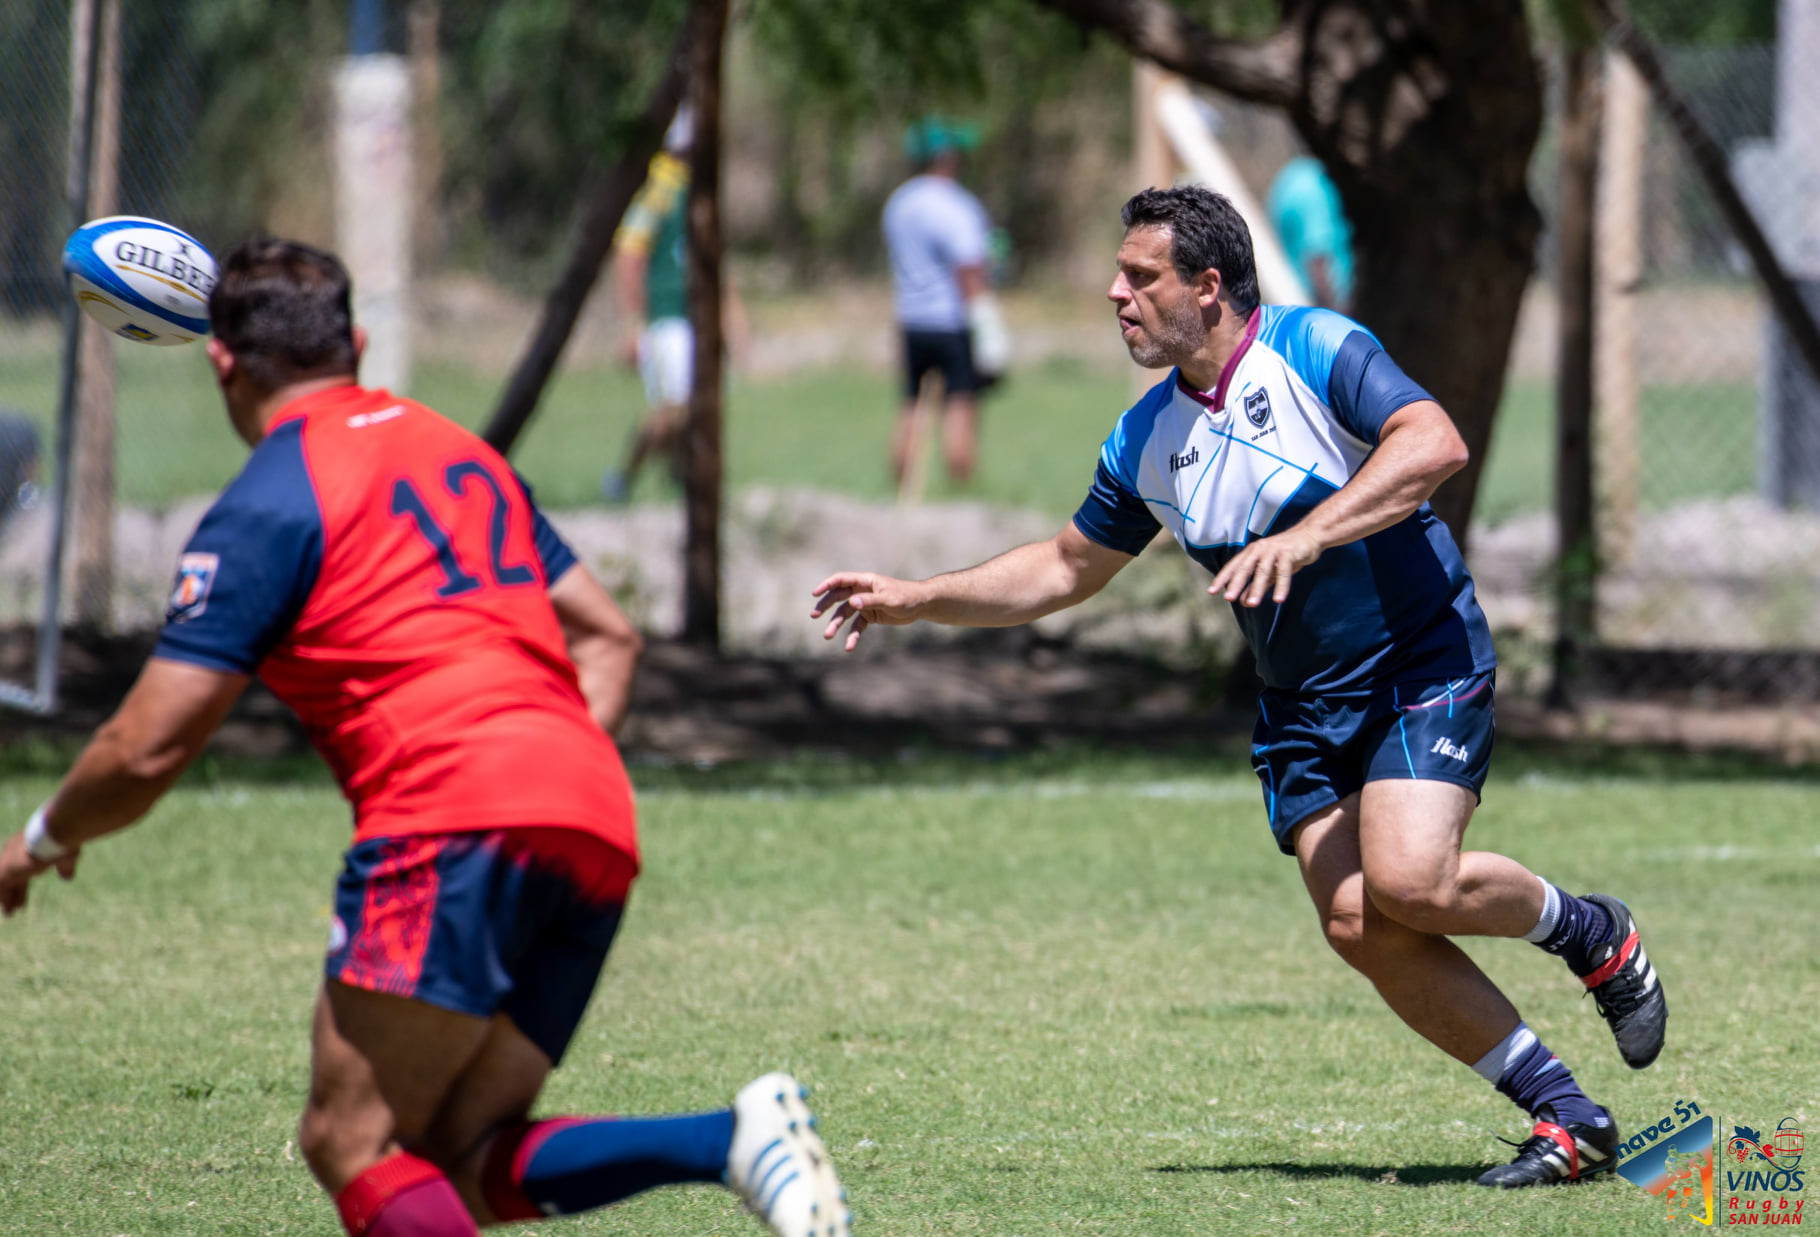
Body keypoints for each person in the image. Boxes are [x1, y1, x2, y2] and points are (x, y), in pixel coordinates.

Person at [810, 186, 1667, 1189]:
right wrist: (918, 598)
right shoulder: (1144, 441)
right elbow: (1061, 567)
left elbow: (1432, 443)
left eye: (1139, 277)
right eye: (1117, 276)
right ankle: (1565, 1118)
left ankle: (1590, 932)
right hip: (1300, 705)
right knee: (1355, 919)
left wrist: (1305, 533)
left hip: (1415, 662)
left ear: (1206, 285)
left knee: (1410, 881)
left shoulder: (1314, 350)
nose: (1113, 294)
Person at [0, 238, 849, 1237]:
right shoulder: (462, 453)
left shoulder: (268, 500)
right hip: (589, 815)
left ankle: (730, 1142)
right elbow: (608, 636)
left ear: (220, 362)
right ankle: (726, 1140)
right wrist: (542, 763)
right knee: (456, 1154)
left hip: (448, 820)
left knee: (346, 1140)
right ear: (354, 342)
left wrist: (37, 840)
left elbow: (148, 744)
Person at [882, 117, 1009, 489]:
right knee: (960, 400)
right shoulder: (957, 205)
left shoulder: (899, 202)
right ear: (949, 158)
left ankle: (901, 482)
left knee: (910, 401)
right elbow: (968, 268)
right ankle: (960, 487)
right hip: (951, 319)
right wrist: (987, 322)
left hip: (910, 317)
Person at [1266, 155, 1354, 313]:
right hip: (1337, 306)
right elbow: (1318, 261)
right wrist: (1341, 319)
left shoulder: (1289, 182)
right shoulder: (1314, 185)